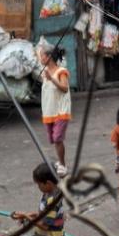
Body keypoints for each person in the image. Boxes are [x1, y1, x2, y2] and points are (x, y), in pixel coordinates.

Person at [39, 43, 72, 175]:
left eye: (42, 56)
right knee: (53, 139)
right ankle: (60, 161)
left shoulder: (61, 72)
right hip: (49, 111)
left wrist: (51, 79)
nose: (40, 58)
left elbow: (64, 88)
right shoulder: (45, 72)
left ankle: (63, 165)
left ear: (48, 57)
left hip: (61, 111)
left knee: (58, 138)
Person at [16, 163, 66, 236]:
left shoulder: (53, 201)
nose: (38, 187)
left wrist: (26, 217)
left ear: (48, 183)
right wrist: (30, 214)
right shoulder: (47, 193)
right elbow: (44, 214)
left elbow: (45, 226)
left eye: (39, 184)